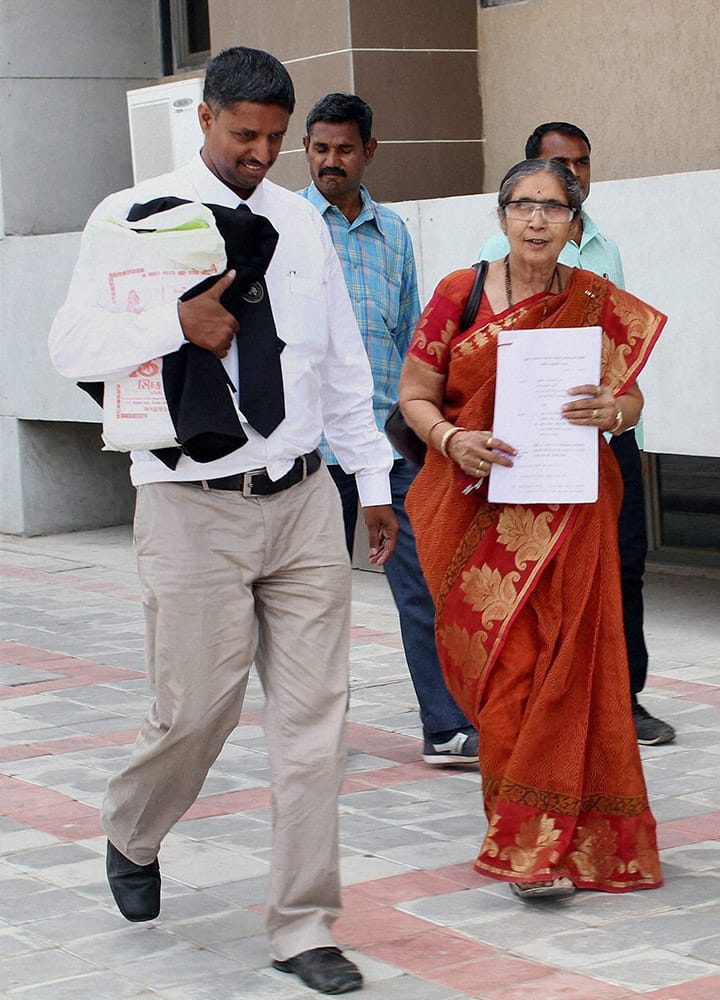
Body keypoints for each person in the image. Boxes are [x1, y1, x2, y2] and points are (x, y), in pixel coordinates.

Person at [49, 46, 400, 996]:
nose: (262, 153)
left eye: (276, 139)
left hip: (297, 498)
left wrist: (371, 480)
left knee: (315, 723)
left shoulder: (298, 223)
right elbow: (71, 343)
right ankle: (134, 825)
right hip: (187, 504)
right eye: (246, 134)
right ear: (204, 119)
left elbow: (336, 364)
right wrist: (178, 322)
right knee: (197, 708)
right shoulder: (129, 216)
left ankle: (302, 925)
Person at [399, 158, 665, 900]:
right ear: (502, 215)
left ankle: (560, 846)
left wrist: (614, 413)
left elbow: (631, 397)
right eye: (524, 205)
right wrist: (452, 441)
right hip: (480, 511)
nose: (539, 220)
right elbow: (415, 395)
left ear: (576, 224)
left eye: (554, 208)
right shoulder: (459, 294)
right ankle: (521, 836)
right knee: (510, 675)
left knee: (572, 671)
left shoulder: (593, 299)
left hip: (572, 517)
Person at [298, 92, 478, 767]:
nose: (331, 161)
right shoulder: (286, 226)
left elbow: (412, 340)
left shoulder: (393, 233)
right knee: (312, 597)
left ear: (368, 151)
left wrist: (422, 427)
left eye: (344, 149)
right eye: (319, 148)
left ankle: (444, 727)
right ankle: (313, 735)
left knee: (423, 584)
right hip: (310, 448)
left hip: (386, 443)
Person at [481, 122, 675, 746]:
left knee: (626, 566)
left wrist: (623, 417)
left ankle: (627, 698)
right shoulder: (494, 252)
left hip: (604, 437)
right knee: (540, 574)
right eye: (556, 166)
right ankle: (540, 700)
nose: (572, 177)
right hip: (529, 446)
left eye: (581, 165)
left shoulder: (606, 250)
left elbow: (624, 355)